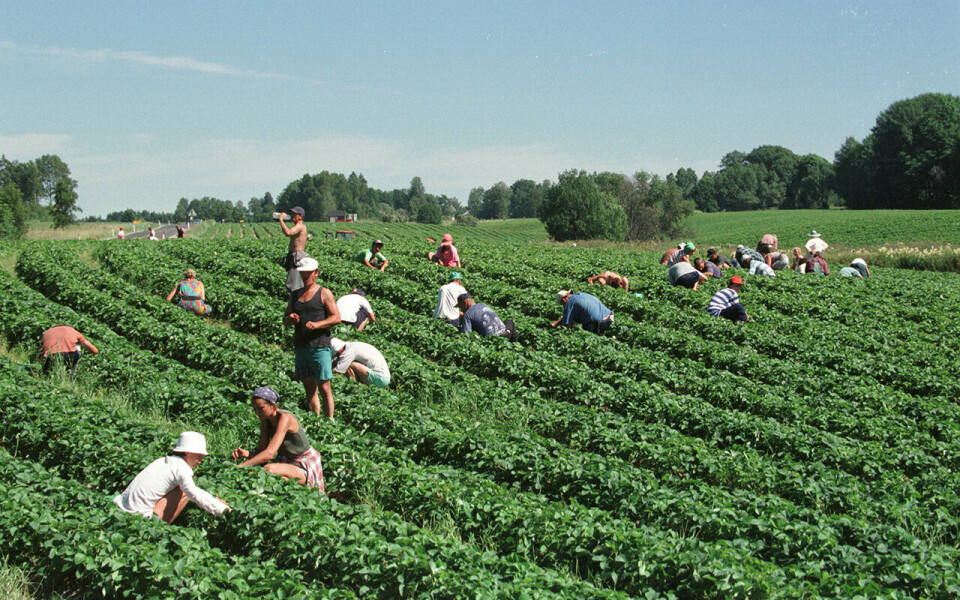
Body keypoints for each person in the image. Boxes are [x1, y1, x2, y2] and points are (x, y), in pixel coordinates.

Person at [114, 432, 229, 524]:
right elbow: (193, 494)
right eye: (200, 455)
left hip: (121, 508)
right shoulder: (182, 469)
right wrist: (224, 511)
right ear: (188, 452)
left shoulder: (163, 461)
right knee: (183, 492)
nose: (202, 460)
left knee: (182, 488)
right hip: (139, 518)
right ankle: (159, 528)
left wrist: (215, 501)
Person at [232, 387, 325, 492]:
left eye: (260, 408)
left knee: (269, 469)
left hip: (303, 464)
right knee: (276, 479)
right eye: (255, 409)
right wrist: (246, 454)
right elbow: (263, 452)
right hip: (287, 462)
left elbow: (269, 454)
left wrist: (241, 467)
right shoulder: (265, 420)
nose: (257, 412)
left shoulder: (285, 418)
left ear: (272, 405)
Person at [283, 257, 340, 418]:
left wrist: (318, 324)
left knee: (324, 387)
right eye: (303, 273)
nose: (306, 275)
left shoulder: (324, 293)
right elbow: (285, 319)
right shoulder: (295, 295)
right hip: (301, 347)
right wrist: (290, 319)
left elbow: (336, 318)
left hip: (319, 346)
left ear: (316, 273)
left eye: (309, 272)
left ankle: (329, 421)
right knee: (309, 387)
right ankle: (314, 419)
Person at [278, 206, 308, 294]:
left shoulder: (300, 226)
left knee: (294, 283)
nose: (292, 215)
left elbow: (288, 232)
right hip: (294, 255)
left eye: (295, 214)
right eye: (292, 213)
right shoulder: (298, 226)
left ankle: (294, 299)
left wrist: (281, 220)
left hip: (297, 256)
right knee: (294, 281)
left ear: (301, 216)